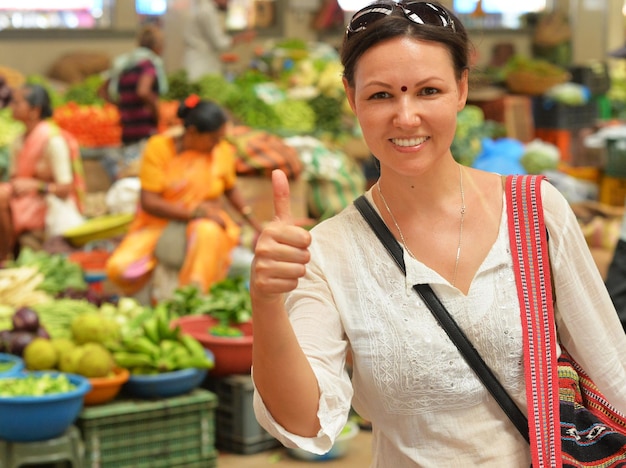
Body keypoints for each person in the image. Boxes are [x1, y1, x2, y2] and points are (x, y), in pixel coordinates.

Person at [249, 2, 626, 466]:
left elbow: (614, 375)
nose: (406, 118)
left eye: (428, 91)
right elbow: (303, 424)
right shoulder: (327, 252)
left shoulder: (534, 213)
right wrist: (267, 303)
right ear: (352, 97)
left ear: (462, 88)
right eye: (381, 95)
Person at [106, 95, 262, 297]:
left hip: (206, 224)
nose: (217, 144)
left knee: (208, 232)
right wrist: (196, 212)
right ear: (192, 132)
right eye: (213, 138)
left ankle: (194, 301)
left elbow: (230, 188)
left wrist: (253, 222)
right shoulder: (159, 147)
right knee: (119, 269)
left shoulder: (221, 151)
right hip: (159, 223)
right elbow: (149, 201)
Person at [0, 84, 85, 261]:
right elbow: (15, 179)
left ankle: (5, 256)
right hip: (24, 200)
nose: (11, 107)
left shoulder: (53, 141)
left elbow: (65, 188)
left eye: (17, 103)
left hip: (49, 202)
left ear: (34, 110)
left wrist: (37, 185)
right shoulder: (18, 141)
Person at [100, 23, 168, 179]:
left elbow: (102, 90)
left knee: (130, 170)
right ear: (156, 47)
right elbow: (143, 91)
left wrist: (122, 105)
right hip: (144, 128)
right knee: (142, 174)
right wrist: (156, 111)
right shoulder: (148, 66)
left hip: (127, 127)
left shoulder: (125, 65)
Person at [182, 0, 256, 81]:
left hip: (204, 62)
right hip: (199, 65)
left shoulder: (206, 9)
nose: (229, 2)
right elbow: (219, 43)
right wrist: (242, 37)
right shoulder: (206, 11)